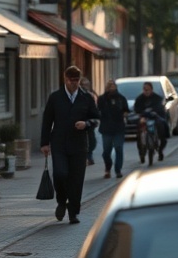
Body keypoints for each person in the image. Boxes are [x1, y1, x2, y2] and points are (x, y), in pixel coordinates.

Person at [40, 65, 100, 224]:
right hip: (59, 143)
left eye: (76, 80)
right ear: (65, 79)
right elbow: (47, 121)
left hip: (79, 145)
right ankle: (61, 201)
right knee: (60, 174)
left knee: (76, 180)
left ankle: (73, 212)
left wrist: (86, 124)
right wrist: (44, 143)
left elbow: (96, 119)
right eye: (71, 80)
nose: (74, 83)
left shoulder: (86, 97)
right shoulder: (55, 97)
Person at [97, 79, 129, 179]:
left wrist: (124, 115)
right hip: (106, 128)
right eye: (109, 86)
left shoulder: (121, 98)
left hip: (118, 127)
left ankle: (118, 170)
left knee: (119, 148)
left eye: (113, 86)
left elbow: (126, 110)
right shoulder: (102, 99)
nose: (111, 88)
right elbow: (97, 110)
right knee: (106, 151)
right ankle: (108, 167)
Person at [134, 81, 169, 161]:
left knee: (162, 127)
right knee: (139, 133)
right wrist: (142, 115)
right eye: (145, 89)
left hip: (155, 117)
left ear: (151, 90)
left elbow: (160, 109)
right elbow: (137, 109)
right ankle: (141, 152)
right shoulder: (139, 99)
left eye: (148, 90)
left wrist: (154, 113)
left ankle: (160, 151)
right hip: (144, 117)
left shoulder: (157, 98)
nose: (146, 92)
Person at [80, 77, 98, 166]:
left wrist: (95, 119)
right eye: (83, 85)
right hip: (80, 121)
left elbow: (95, 109)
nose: (84, 87)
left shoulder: (92, 95)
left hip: (89, 121)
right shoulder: (78, 95)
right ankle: (86, 157)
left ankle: (89, 155)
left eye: (86, 85)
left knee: (92, 140)